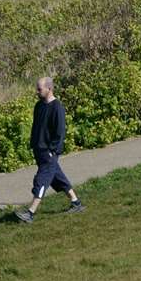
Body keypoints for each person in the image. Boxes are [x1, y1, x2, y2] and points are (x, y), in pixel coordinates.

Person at [16, 76, 82, 222]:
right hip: (38, 150)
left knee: (41, 180)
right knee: (57, 177)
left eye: (39, 89)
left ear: (49, 89)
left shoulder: (57, 107)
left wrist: (52, 151)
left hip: (49, 152)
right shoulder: (38, 106)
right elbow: (37, 127)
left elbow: (59, 133)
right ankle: (76, 202)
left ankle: (30, 212)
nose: (37, 92)